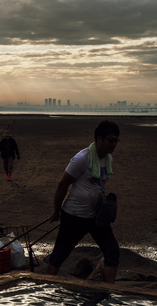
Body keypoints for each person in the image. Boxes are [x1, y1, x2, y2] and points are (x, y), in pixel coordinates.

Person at [46, 120, 120, 283]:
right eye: (110, 140)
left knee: (112, 251)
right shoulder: (82, 158)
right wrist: (55, 211)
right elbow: (62, 184)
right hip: (74, 216)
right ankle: (44, 286)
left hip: (96, 217)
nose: (114, 144)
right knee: (59, 255)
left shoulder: (108, 160)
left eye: (116, 140)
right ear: (99, 139)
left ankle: (111, 290)